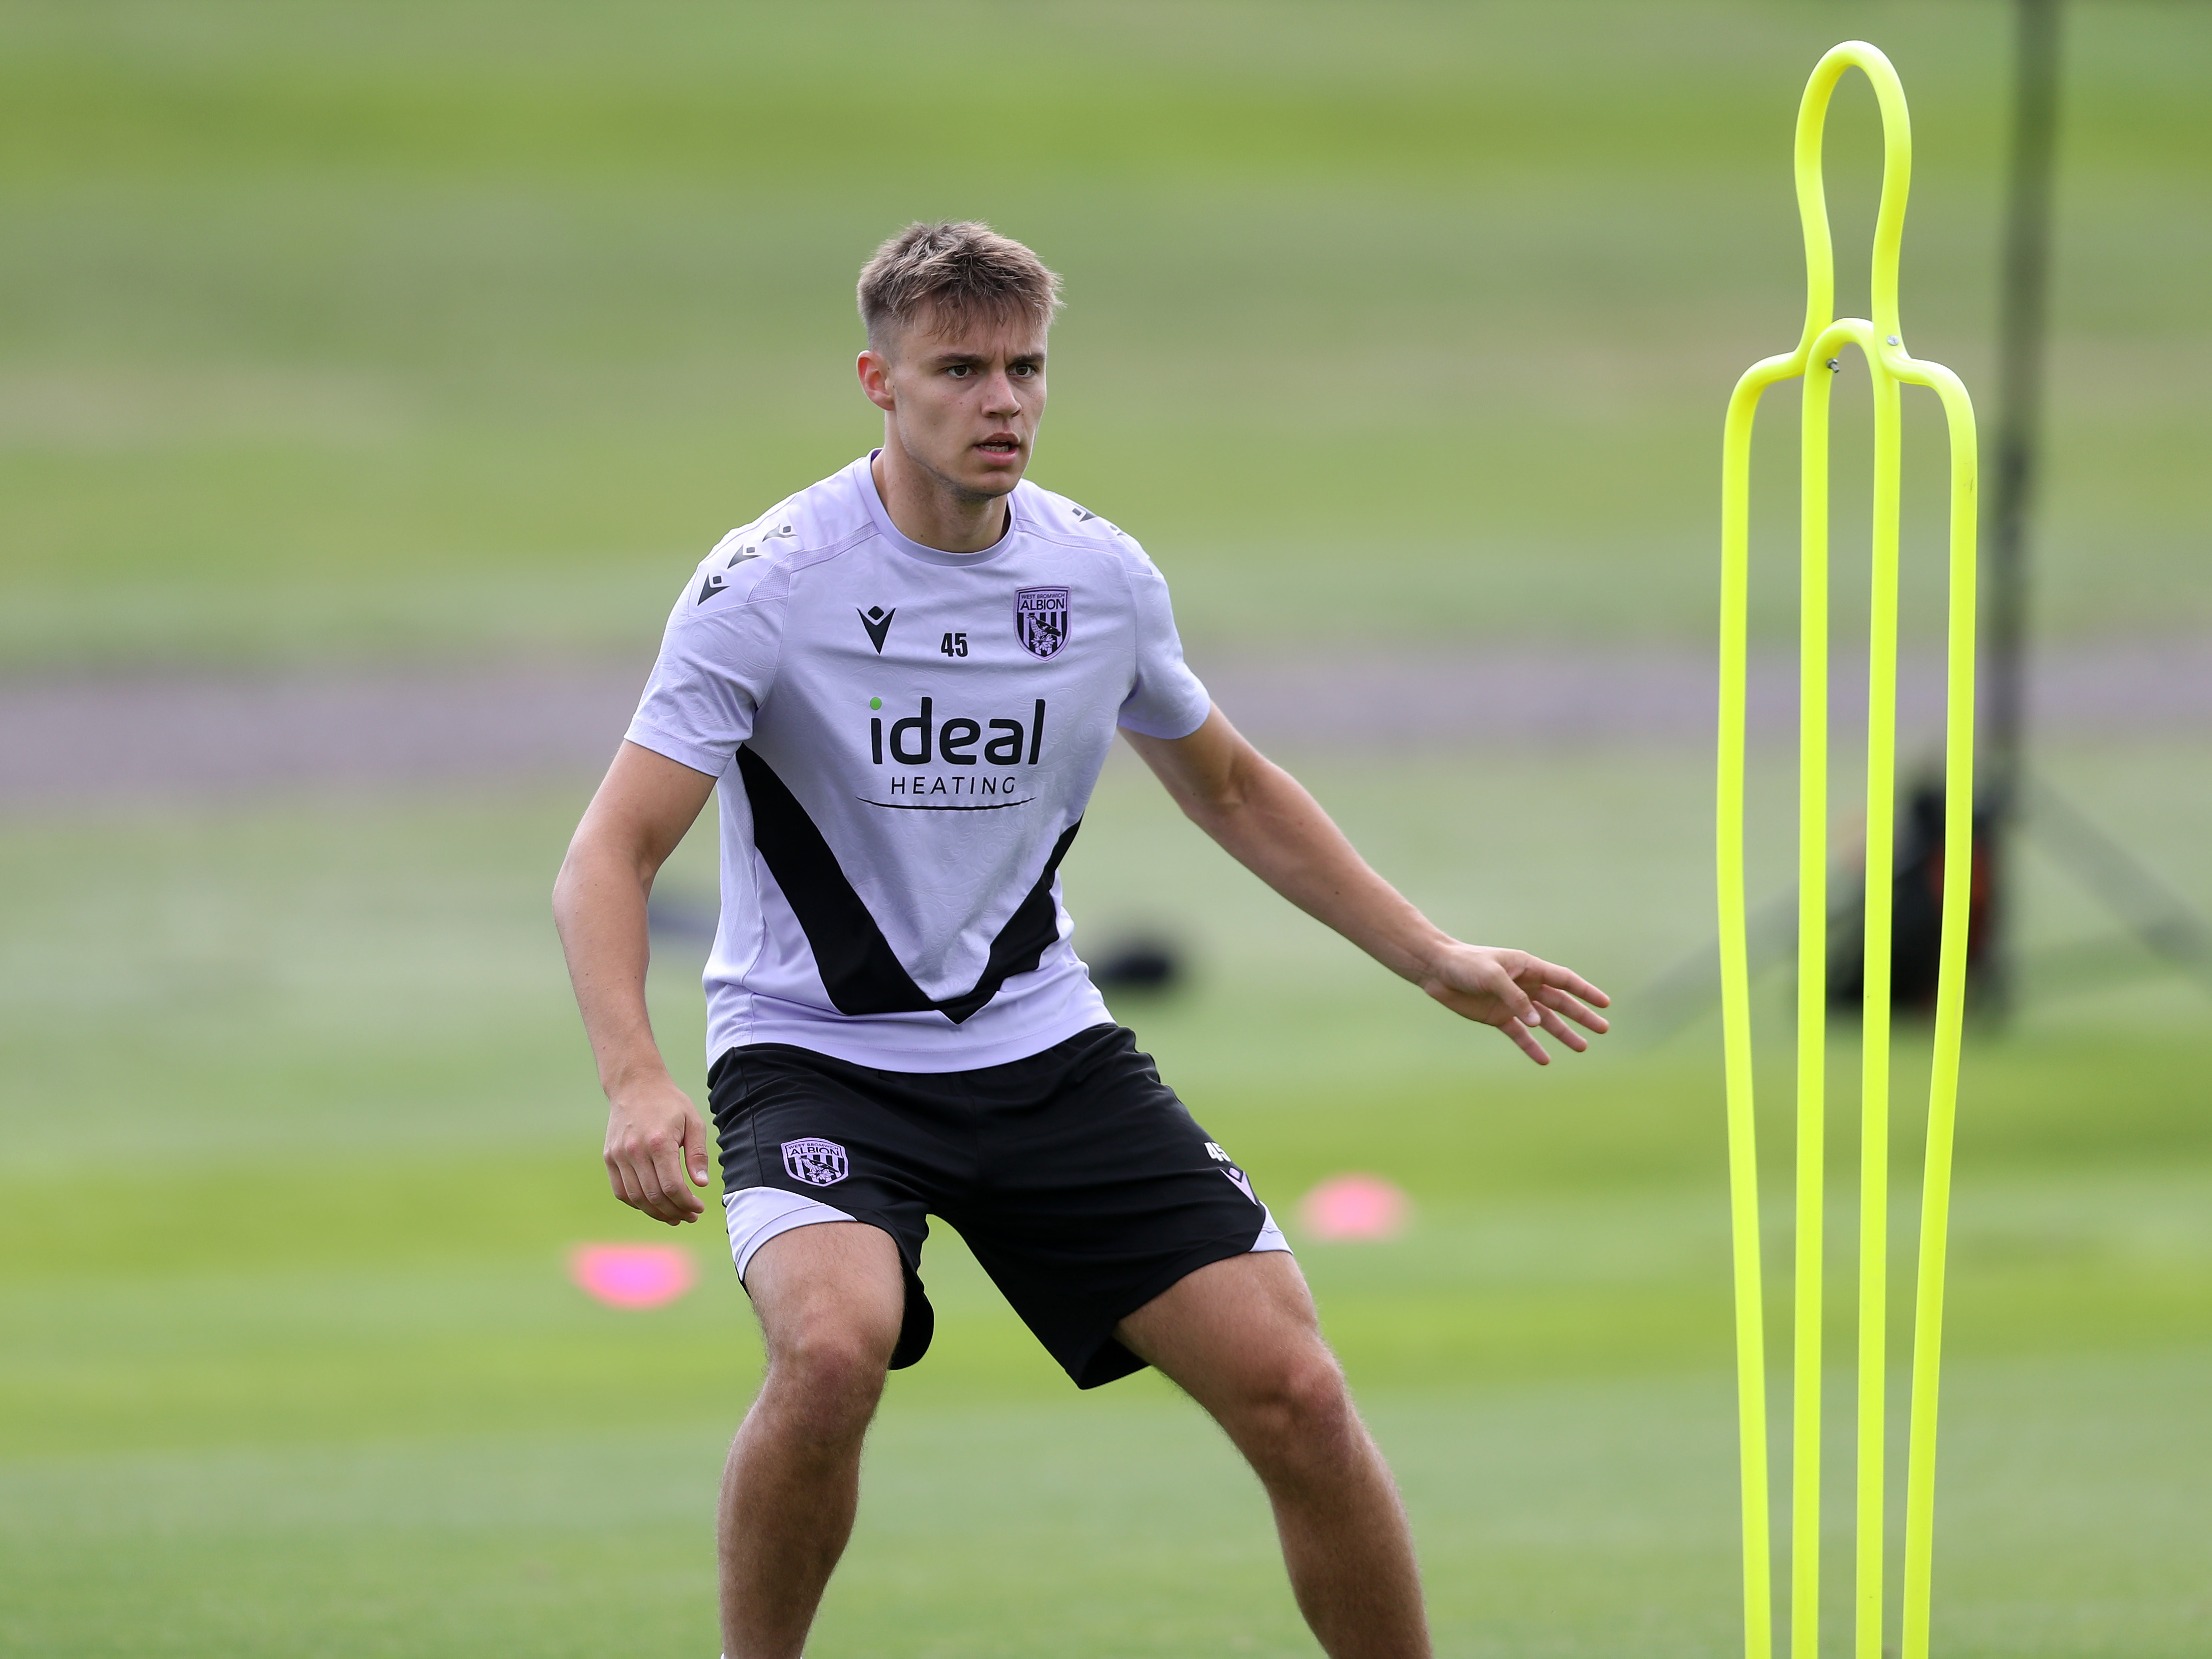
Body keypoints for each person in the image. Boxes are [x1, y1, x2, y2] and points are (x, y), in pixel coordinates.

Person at [552, 220, 1610, 1659]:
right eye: (961, 369)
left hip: (1044, 1051)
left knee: (1296, 1389)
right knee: (831, 1349)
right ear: (879, 379)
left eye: (1027, 368)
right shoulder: (769, 581)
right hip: (818, 1058)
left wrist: (1435, 956)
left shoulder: (1097, 578)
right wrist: (633, 1075)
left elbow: (1229, 786)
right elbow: (609, 854)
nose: (1004, 402)